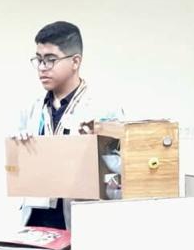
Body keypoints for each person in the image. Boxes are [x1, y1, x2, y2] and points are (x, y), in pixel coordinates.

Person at [15, 21, 122, 229]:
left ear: (75, 61)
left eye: (50, 60)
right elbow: (16, 170)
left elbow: (119, 174)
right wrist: (19, 153)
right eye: (38, 60)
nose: (42, 68)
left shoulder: (103, 110)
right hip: (35, 222)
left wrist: (97, 147)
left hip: (81, 221)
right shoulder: (31, 108)